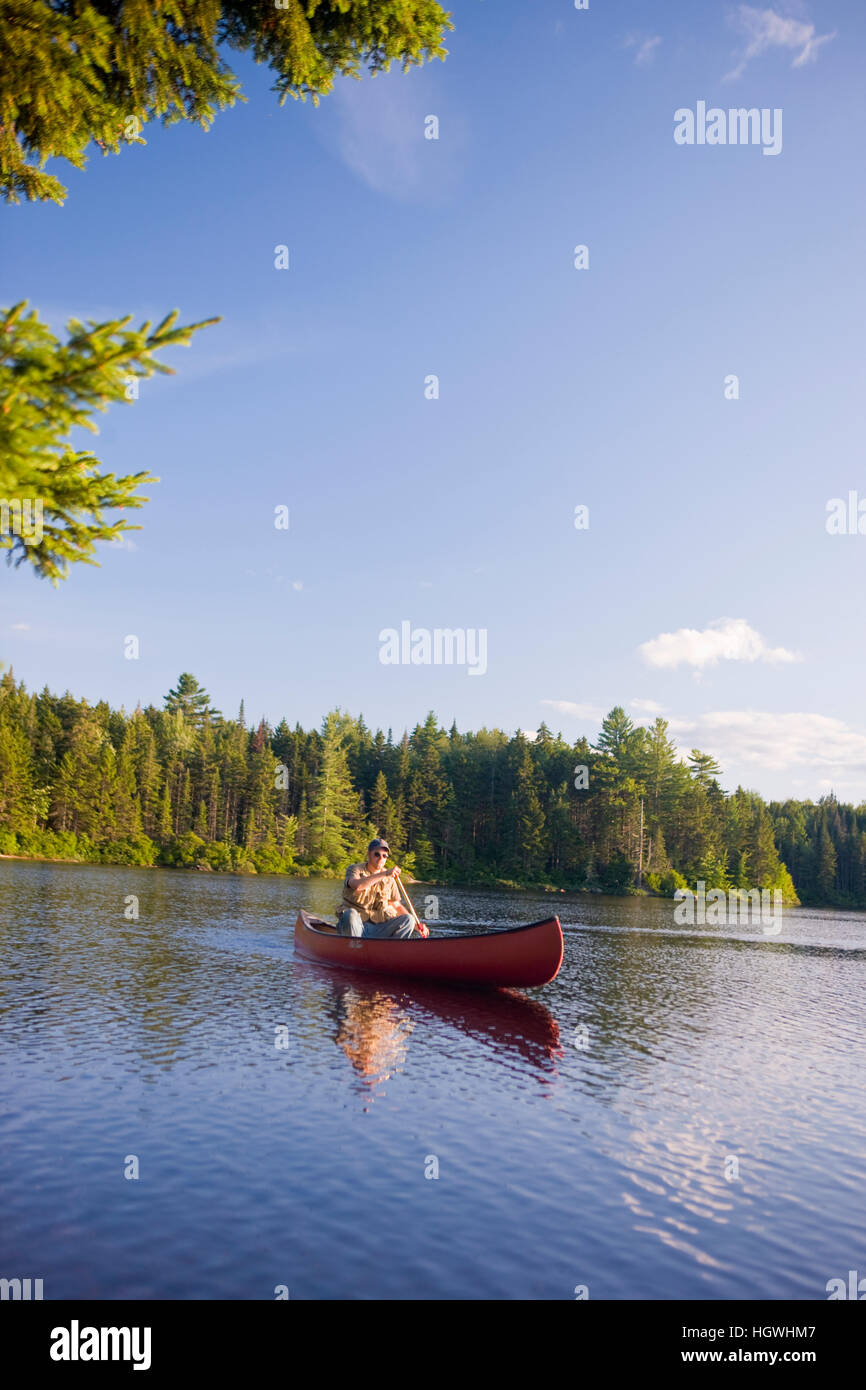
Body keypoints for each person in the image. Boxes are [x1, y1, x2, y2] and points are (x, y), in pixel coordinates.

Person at [337, 839, 428, 938]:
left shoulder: (390, 879)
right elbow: (358, 885)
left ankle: (391, 951)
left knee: (408, 919)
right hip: (354, 925)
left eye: (384, 856)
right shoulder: (354, 869)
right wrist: (384, 874)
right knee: (350, 914)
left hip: (377, 928)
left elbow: (396, 905)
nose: (381, 858)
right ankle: (354, 948)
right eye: (377, 854)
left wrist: (416, 925)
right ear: (369, 854)